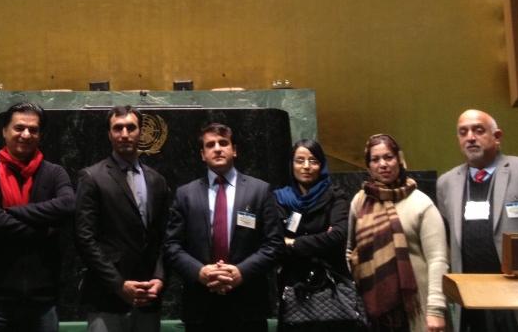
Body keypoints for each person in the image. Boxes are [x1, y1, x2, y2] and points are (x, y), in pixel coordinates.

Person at [437, 109, 518, 332]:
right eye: (463, 132)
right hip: (474, 300)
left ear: (497, 136)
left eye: (478, 130)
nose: (470, 137)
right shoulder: (446, 183)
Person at [163, 122, 283, 332]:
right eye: (210, 145)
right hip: (200, 304)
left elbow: (274, 244)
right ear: (203, 154)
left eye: (223, 143)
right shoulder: (185, 194)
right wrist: (200, 272)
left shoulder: (259, 191)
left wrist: (241, 272)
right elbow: (171, 245)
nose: (217, 148)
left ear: (234, 150)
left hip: (248, 303)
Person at [0, 102, 75, 332]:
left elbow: (68, 205)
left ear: (40, 135)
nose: (26, 134)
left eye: (33, 130)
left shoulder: (55, 173)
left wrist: (10, 212)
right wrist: (44, 228)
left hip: (42, 301)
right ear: (4, 131)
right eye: (19, 128)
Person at [74, 105, 170, 332]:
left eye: (131, 127)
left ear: (140, 132)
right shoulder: (92, 177)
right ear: (109, 134)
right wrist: (119, 284)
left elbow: (164, 237)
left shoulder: (157, 180)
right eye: (118, 128)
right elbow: (84, 239)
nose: (124, 134)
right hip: (107, 297)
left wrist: (160, 278)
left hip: (148, 296)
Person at [348, 134, 447, 332]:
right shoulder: (360, 201)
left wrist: (435, 309)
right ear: (368, 167)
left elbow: (438, 259)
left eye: (388, 157)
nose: (383, 164)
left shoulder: (421, 203)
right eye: (375, 159)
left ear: (399, 160)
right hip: (373, 306)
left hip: (417, 307)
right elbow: (350, 249)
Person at [274, 139, 356, 332]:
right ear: (291, 164)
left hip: (332, 284)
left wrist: (293, 243)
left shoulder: (336, 196)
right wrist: (322, 239)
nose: (306, 166)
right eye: (300, 160)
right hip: (293, 285)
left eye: (313, 160)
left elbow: (338, 236)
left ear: (321, 165)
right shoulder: (279, 198)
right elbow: (276, 243)